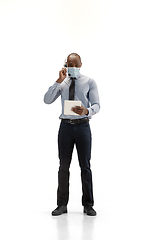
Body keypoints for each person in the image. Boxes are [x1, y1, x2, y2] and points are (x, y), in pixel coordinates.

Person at [44, 53, 100, 216]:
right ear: (65, 65)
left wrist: (87, 110)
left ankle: (88, 205)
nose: (72, 68)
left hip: (83, 127)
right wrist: (58, 81)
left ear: (80, 64)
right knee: (63, 167)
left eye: (75, 65)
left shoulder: (89, 82)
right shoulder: (63, 82)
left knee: (85, 166)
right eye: (69, 64)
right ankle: (62, 204)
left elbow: (97, 105)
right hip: (65, 128)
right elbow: (47, 100)